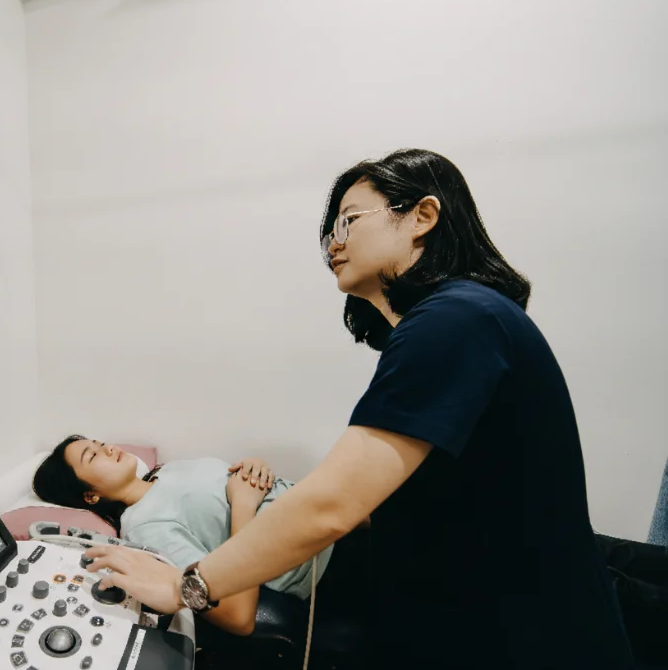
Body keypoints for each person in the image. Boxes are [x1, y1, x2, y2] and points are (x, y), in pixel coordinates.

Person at [82, 149, 637, 669]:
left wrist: (187, 586)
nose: (333, 244)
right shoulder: (450, 321)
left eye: (349, 221)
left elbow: (333, 505)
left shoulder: (455, 319)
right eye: (330, 232)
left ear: (422, 216)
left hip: (521, 633)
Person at [32, 434, 364, 636]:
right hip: (331, 557)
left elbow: (231, 487)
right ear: (90, 496)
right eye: (92, 455)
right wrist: (244, 506)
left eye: (100, 443)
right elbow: (236, 614)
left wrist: (255, 467)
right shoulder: (145, 526)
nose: (108, 448)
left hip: (333, 508)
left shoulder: (166, 471)